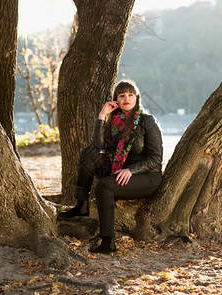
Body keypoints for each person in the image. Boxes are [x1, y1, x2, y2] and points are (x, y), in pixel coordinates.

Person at [59, 79, 163, 254]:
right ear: (116, 100)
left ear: (137, 98)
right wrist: (101, 116)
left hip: (146, 175)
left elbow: (156, 159)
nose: (126, 98)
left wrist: (131, 170)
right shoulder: (114, 123)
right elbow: (97, 147)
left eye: (130, 95)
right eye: (122, 95)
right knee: (87, 153)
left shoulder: (147, 121)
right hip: (120, 169)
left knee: (104, 185)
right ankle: (82, 204)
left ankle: (108, 242)